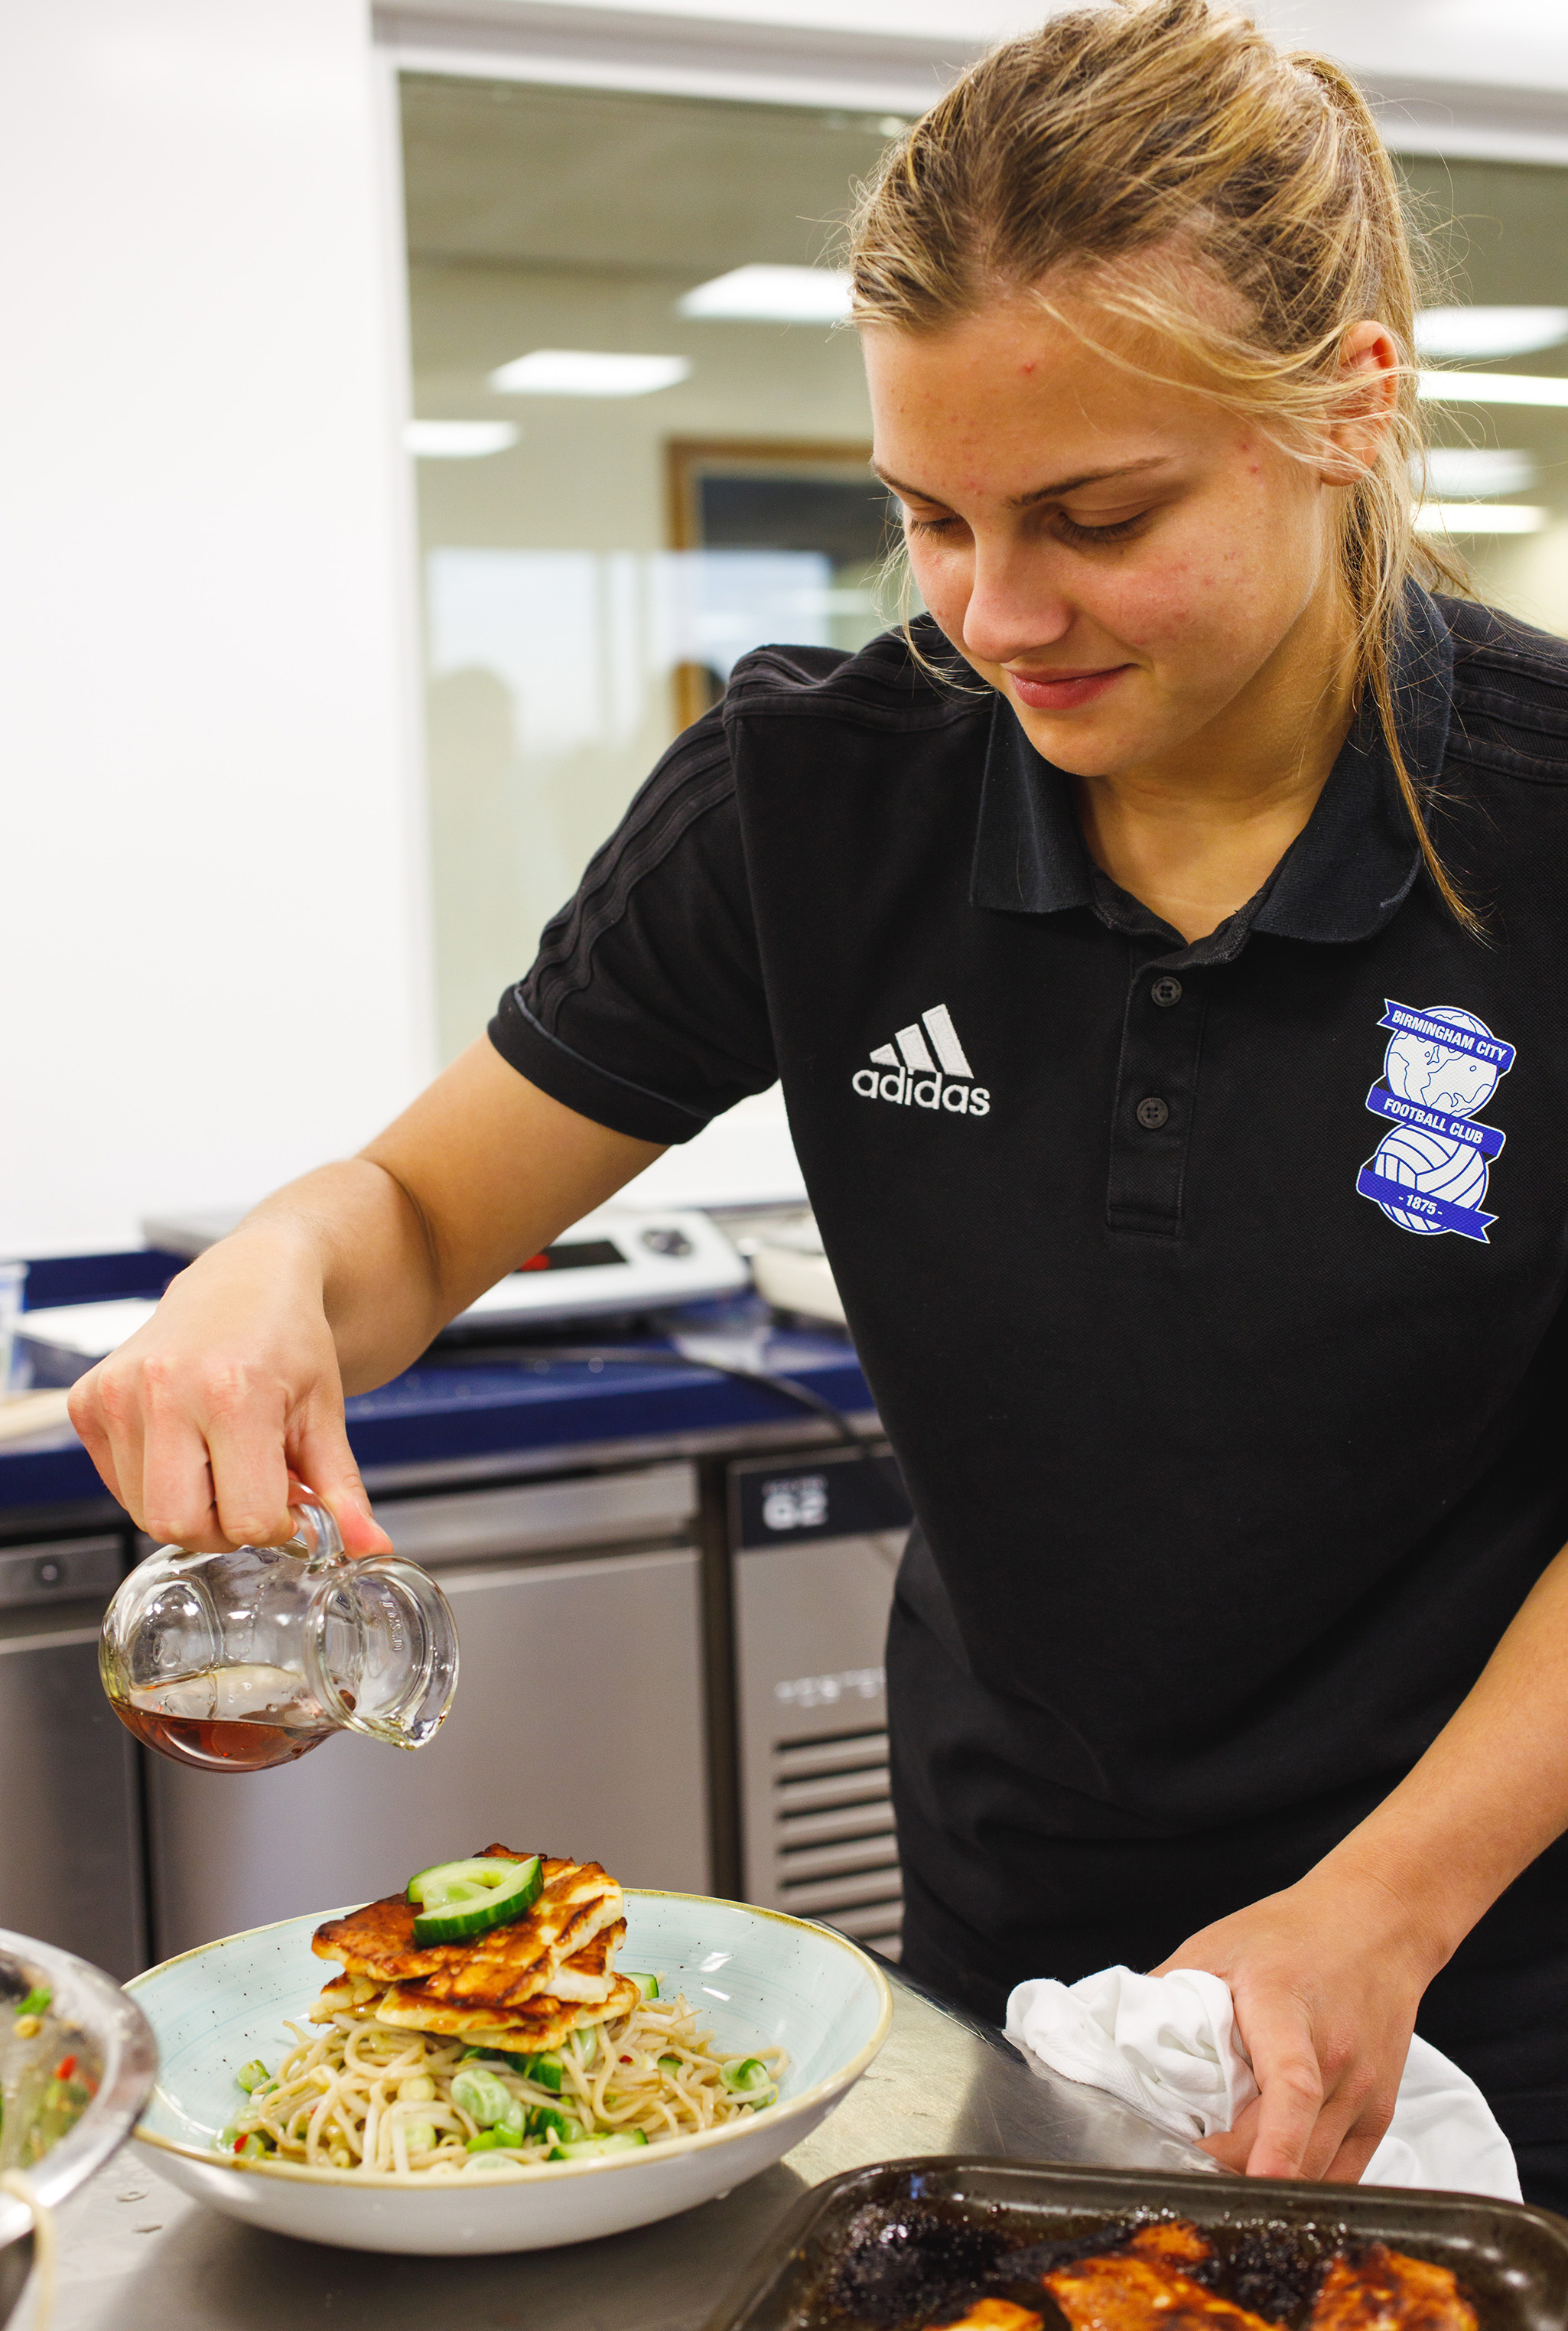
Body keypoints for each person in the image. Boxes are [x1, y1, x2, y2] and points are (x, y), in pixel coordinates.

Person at [72, 0, 1568, 2207]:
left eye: (1090, 514)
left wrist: (1385, 1908)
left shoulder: (1537, 819)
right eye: (929, 516)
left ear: (1346, 407)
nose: (992, 610)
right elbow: (412, 1205)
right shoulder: (812, 805)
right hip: (1005, 1948)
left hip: (1496, 1961)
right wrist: (274, 1275)